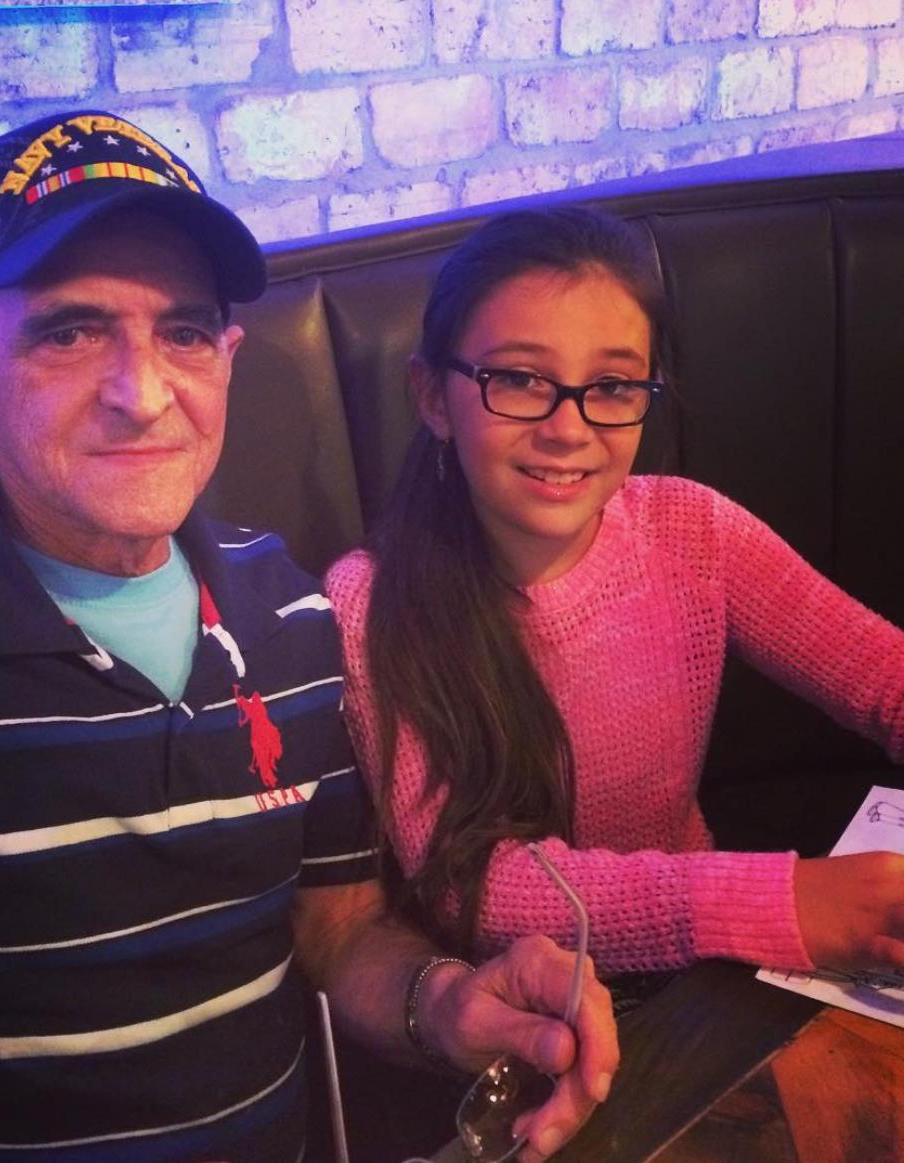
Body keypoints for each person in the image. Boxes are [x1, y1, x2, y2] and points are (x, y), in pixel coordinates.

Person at [0, 112, 617, 1163]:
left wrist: (444, 1001)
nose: (143, 393)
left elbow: (337, 928)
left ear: (227, 359)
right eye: (70, 332)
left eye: (184, 333)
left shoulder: (287, 612)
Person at [325, 205, 904, 982]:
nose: (569, 428)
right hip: (517, 1008)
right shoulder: (369, 605)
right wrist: (778, 901)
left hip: (703, 973)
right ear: (433, 397)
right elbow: (473, 888)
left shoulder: (690, 530)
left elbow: (883, 676)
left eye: (611, 385)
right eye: (520, 378)